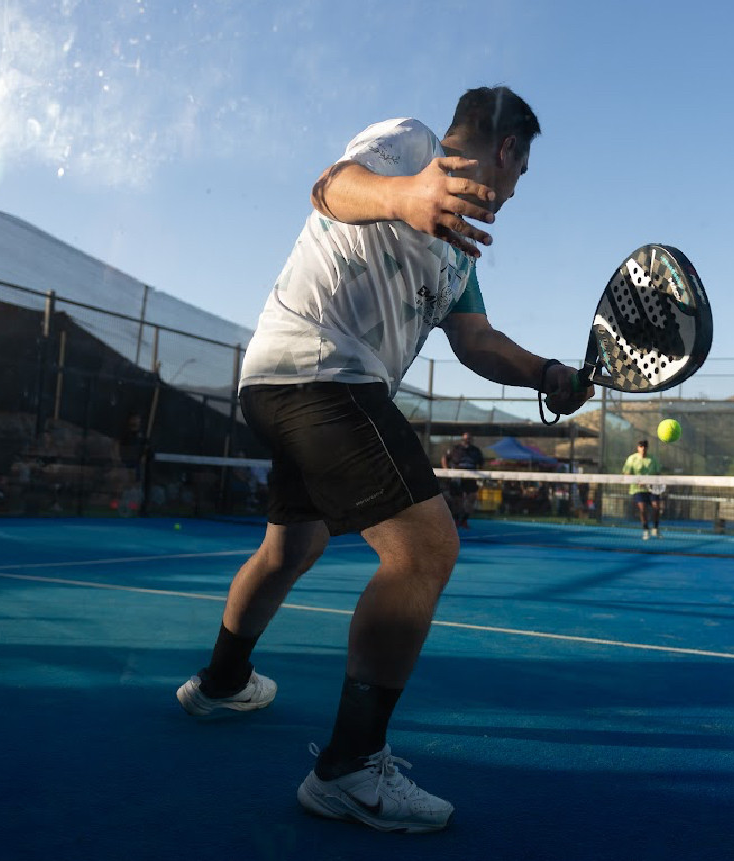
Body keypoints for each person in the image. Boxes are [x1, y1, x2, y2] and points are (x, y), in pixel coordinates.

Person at [174, 86, 593, 834]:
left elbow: (476, 341)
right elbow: (330, 187)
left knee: (290, 547)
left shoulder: (459, 249)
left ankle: (221, 683)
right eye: (521, 174)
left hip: (285, 380)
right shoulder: (411, 144)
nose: (514, 192)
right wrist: (406, 195)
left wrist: (548, 374)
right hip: (321, 368)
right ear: (507, 150)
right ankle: (348, 769)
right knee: (426, 548)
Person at [441, 431, 484, 528]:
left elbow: (481, 463)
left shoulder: (476, 450)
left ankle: (464, 519)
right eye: (465, 438)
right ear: (462, 439)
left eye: (469, 439)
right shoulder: (455, 449)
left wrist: (480, 475)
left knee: (472, 497)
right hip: (457, 477)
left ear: (471, 440)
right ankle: (456, 520)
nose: (467, 440)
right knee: (457, 499)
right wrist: (446, 470)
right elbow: (444, 458)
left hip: (471, 477)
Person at [622, 439, 661, 539]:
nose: (643, 448)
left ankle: (655, 528)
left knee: (656, 507)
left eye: (645, 446)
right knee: (643, 509)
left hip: (652, 488)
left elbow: (658, 474)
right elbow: (626, 473)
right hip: (637, 489)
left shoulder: (653, 459)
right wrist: (637, 481)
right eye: (641, 446)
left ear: (647, 448)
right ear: (638, 448)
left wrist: (649, 482)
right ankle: (645, 529)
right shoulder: (632, 459)